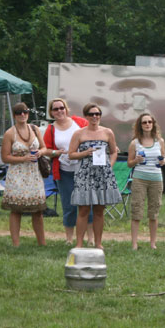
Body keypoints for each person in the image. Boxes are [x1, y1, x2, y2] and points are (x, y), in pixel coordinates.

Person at [68, 103, 121, 249]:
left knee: (99, 210)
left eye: (97, 114)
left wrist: (110, 165)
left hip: (102, 174)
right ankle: (79, 243)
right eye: (91, 114)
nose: (95, 117)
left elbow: (114, 151)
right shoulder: (79, 133)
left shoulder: (107, 132)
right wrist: (85, 153)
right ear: (86, 116)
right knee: (83, 209)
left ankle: (98, 243)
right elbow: (71, 154)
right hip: (84, 174)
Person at [43, 98, 94, 245]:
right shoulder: (51, 129)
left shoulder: (79, 122)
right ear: (51, 113)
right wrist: (55, 152)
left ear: (66, 109)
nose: (59, 111)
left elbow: (95, 134)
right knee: (69, 205)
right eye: (55, 109)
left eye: (61, 108)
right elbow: (45, 149)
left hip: (84, 169)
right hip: (64, 171)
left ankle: (90, 238)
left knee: (87, 204)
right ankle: (69, 238)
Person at [0, 102, 48, 247]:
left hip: (34, 174)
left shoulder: (35, 129)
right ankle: (16, 244)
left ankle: (42, 243)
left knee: (38, 210)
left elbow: (45, 147)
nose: (22, 115)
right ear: (14, 115)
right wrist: (23, 158)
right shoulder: (10, 133)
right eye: (19, 112)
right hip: (17, 175)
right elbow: (5, 157)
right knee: (16, 210)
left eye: (25, 112)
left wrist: (41, 152)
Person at [127, 113, 165, 250]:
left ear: (153, 124)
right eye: (144, 122)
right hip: (140, 179)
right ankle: (134, 243)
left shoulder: (159, 141)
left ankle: (152, 243)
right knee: (137, 211)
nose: (148, 124)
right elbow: (129, 164)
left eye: (150, 122)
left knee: (154, 212)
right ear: (140, 125)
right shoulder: (135, 143)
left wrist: (163, 161)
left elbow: (164, 158)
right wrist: (136, 160)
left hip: (156, 179)